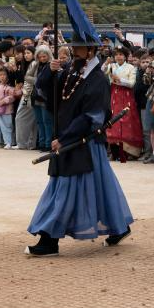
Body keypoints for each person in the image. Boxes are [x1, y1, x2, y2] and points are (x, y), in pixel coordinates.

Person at [26, 35, 134, 256]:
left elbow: (91, 116)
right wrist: (49, 72)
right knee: (100, 186)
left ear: (91, 51)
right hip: (67, 137)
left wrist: (65, 138)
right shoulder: (70, 72)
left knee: (64, 189)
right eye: (73, 47)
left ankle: (49, 240)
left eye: (78, 48)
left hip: (82, 141)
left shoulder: (98, 80)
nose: (73, 52)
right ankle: (120, 226)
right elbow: (48, 95)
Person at [104, 47, 143, 162]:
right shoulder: (112, 66)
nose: (118, 57)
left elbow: (132, 83)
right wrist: (106, 63)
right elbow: (102, 72)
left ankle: (127, 152)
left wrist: (119, 80)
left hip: (126, 96)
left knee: (127, 121)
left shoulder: (131, 67)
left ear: (125, 56)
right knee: (113, 122)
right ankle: (114, 152)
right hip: (114, 95)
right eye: (116, 54)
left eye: (121, 54)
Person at [0, 67, 17, 148]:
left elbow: (12, 97)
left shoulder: (10, 87)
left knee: (7, 126)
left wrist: (4, 101)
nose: (2, 77)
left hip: (6, 110)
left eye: (4, 74)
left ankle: (8, 142)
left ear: (7, 75)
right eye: (0, 75)